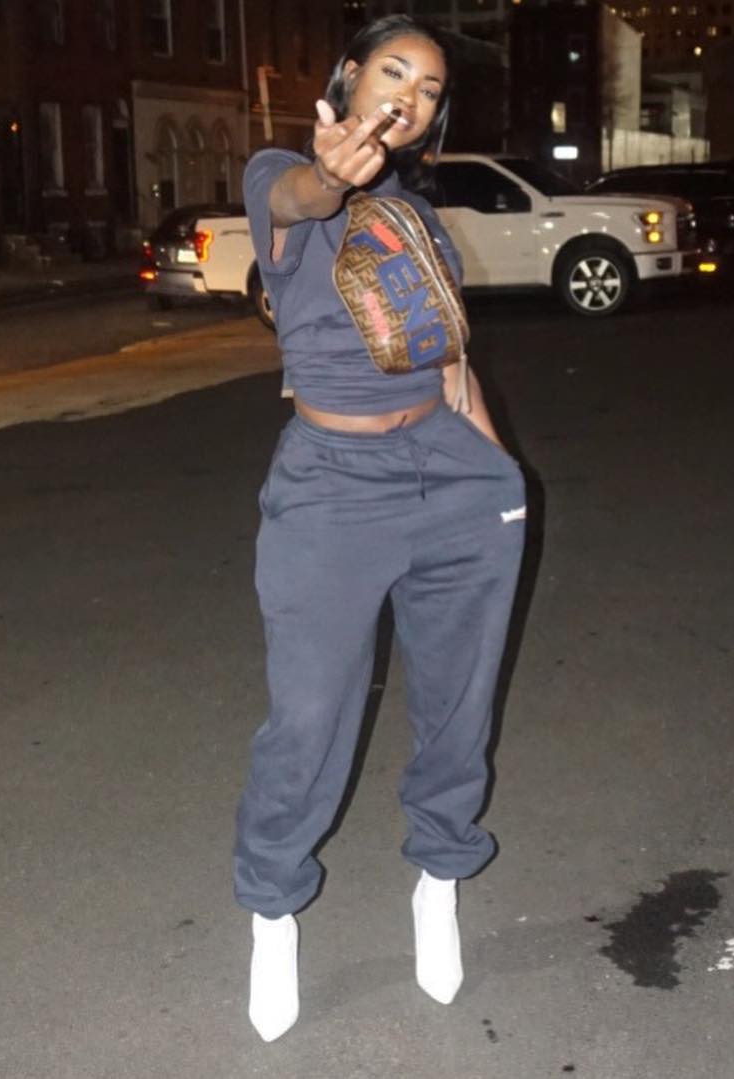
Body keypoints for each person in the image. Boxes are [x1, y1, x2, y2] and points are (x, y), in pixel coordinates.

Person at [233, 15, 526, 1043]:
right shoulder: (282, 176)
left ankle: (439, 878)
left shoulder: (419, 218)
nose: (410, 94)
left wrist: (500, 473)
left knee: (458, 701)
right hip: (332, 482)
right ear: (350, 79)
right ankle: (274, 907)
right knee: (309, 715)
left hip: (452, 475)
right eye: (394, 71)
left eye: (431, 88)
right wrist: (327, 172)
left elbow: (449, 361)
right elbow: (298, 196)